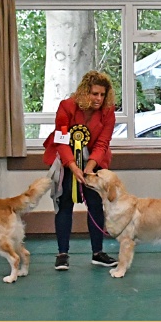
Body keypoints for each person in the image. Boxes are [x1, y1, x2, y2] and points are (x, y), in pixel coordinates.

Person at [46, 70, 119, 271]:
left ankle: (98, 253)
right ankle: (62, 254)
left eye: (103, 95)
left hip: (93, 163)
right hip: (66, 160)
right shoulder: (67, 107)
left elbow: (103, 142)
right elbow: (60, 141)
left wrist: (89, 167)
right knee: (65, 202)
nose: (99, 99)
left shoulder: (108, 111)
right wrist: (72, 166)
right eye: (95, 94)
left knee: (95, 203)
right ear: (85, 92)